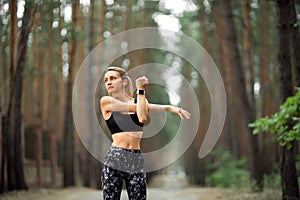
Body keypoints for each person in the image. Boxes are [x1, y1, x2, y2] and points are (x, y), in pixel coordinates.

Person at [100, 66, 191, 200]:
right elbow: (141, 110)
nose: (108, 82)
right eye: (106, 80)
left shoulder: (140, 100)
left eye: (113, 78)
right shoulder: (106, 101)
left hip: (136, 159)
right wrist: (141, 92)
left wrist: (172, 108)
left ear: (124, 82)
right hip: (115, 157)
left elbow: (142, 117)